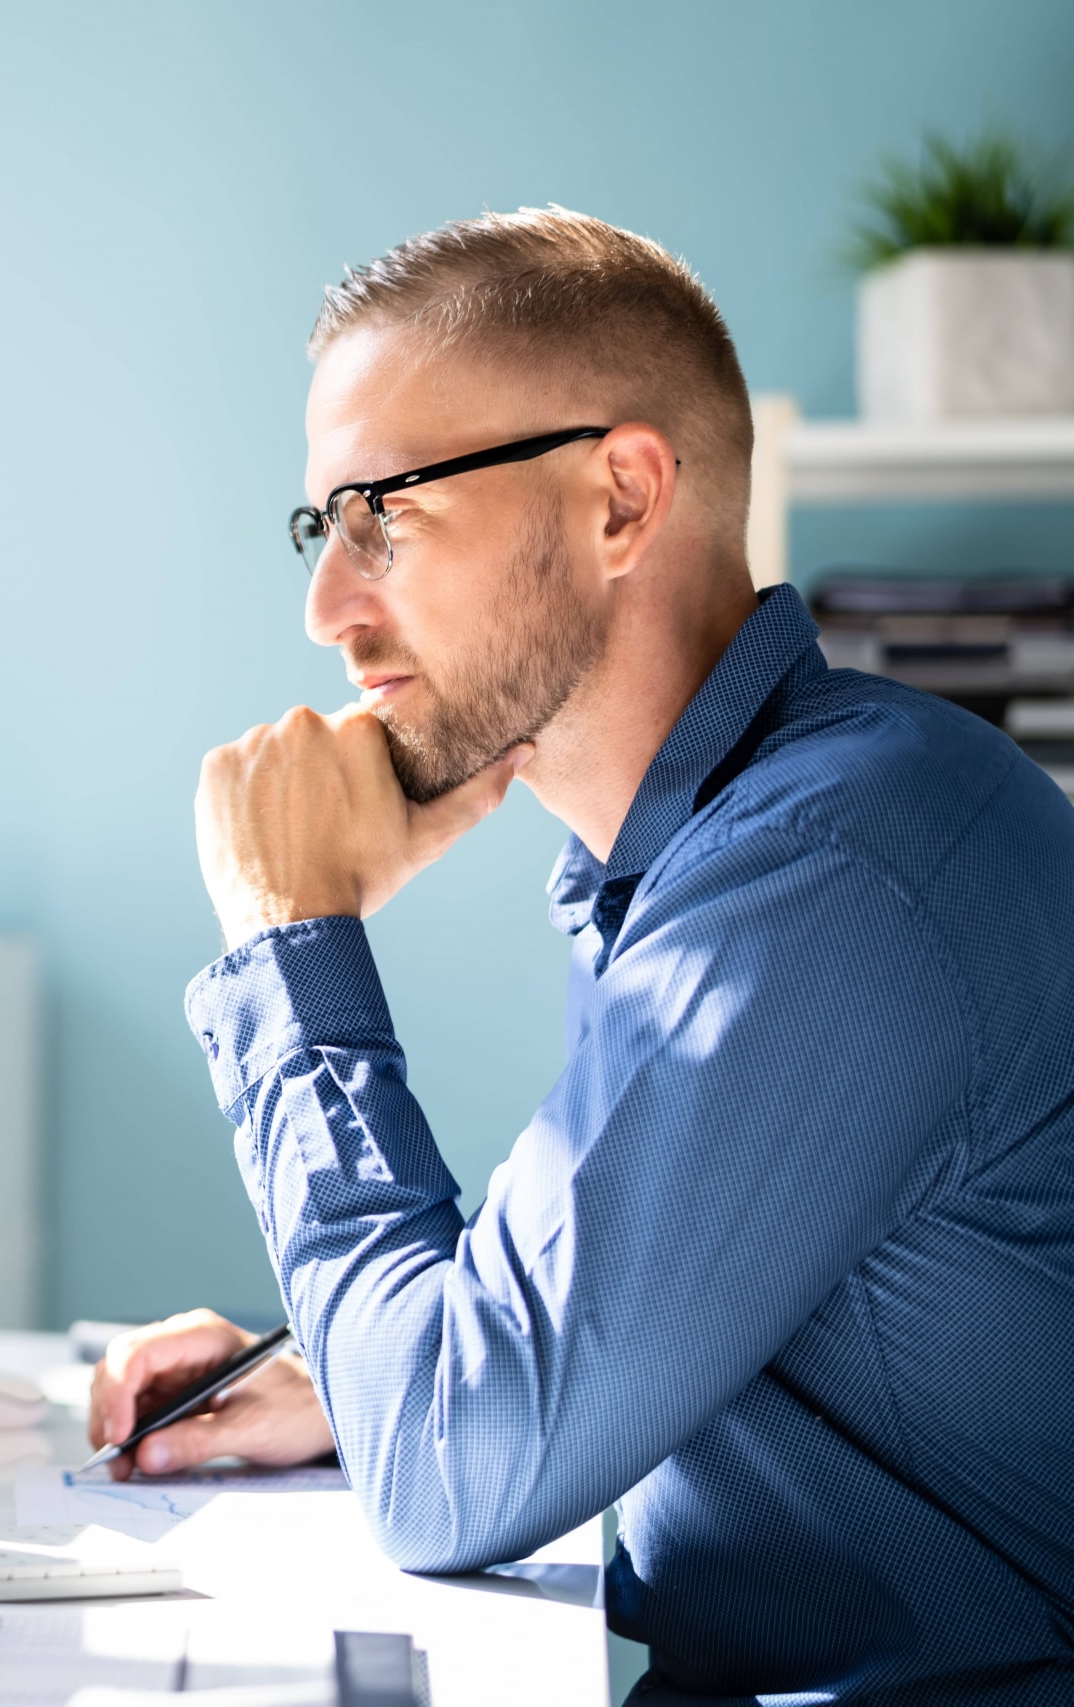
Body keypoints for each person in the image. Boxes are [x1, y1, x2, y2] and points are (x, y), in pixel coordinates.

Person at [88, 209, 1074, 1703]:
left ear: (622, 499)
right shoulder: (708, 858)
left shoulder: (831, 873)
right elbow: (587, 1360)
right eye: (322, 529)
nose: (329, 610)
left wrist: (293, 939)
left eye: (384, 518)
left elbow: (454, 1475)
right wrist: (364, 1383)